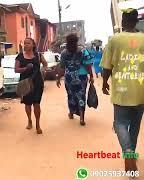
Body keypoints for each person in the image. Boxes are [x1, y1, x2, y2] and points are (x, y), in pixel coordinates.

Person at [101, 9, 143, 173]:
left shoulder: (114, 40)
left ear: (124, 21)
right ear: (136, 21)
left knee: (120, 123)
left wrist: (104, 82)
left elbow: (106, 66)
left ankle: (128, 153)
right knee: (135, 125)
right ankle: (131, 153)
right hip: (141, 90)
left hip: (121, 90)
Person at [56, 33, 94, 126]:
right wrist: (91, 76)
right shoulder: (83, 51)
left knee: (71, 95)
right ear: (77, 41)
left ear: (67, 41)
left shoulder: (64, 53)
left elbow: (62, 67)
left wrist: (58, 78)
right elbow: (88, 65)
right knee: (81, 96)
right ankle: (81, 117)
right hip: (81, 77)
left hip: (69, 77)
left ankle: (71, 113)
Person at [15, 37, 47, 134]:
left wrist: (43, 70)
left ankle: (38, 124)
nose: (26, 45)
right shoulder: (20, 56)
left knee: (36, 103)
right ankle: (29, 120)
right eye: (25, 43)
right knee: (28, 103)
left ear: (33, 45)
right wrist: (25, 68)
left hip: (37, 82)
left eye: (28, 43)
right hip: (25, 83)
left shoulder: (38, 55)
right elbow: (16, 70)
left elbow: (45, 64)